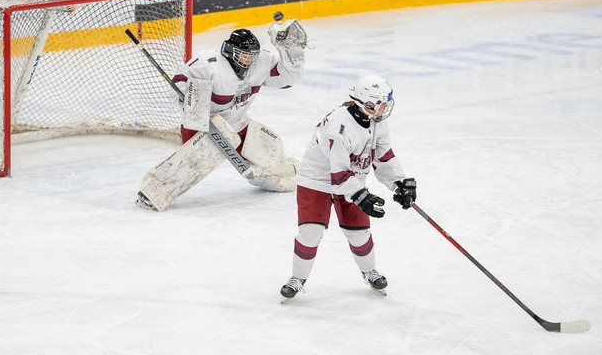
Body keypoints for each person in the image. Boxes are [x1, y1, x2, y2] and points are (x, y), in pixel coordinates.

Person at [136, 19, 308, 212]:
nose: (249, 61)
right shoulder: (208, 64)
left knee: (273, 159)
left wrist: (292, 53)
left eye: (251, 56)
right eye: (244, 56)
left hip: (238, 124)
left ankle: (282, 171)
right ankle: (153, 191)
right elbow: (177, 86)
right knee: (198, 159)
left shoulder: (260, 62)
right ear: (229, 51)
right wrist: (189, 98)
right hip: (201, 126)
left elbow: (285, 80)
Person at [279, 74, 417, 302]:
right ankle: (297, 279)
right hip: (317, 181)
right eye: (381, 103)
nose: (385, 107)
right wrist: (363, 197)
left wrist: (399, 183)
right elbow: (339, 173)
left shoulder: (378, 122)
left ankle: (370, 272)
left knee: (358, 232)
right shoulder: (339, 124)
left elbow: (383, 156)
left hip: (350, 180)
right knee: (310, 232)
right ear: (367, 104)